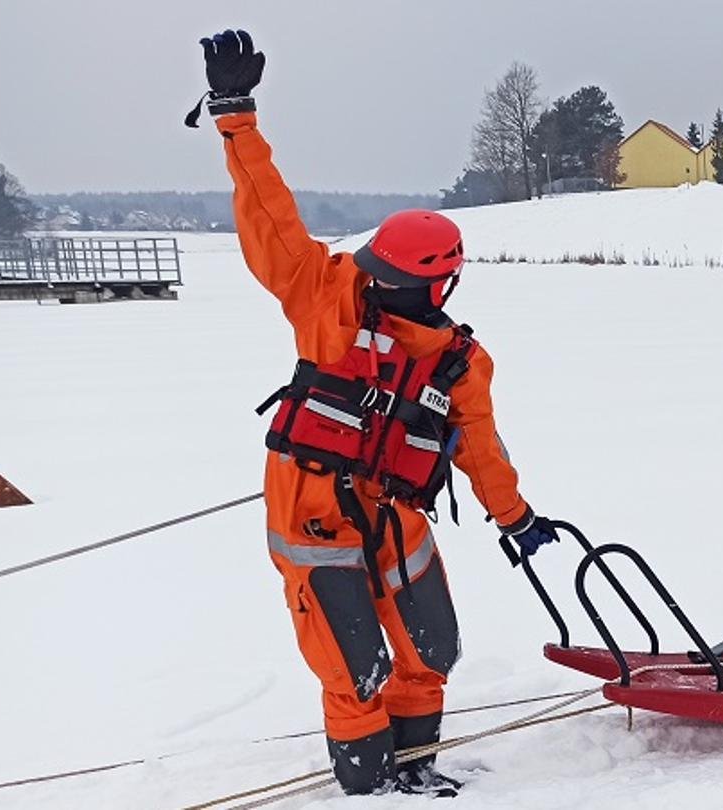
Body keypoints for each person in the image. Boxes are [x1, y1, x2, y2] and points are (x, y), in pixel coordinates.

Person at [197, 30, 564, 797]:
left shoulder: (458, 362)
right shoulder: (325, 297)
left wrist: (516, 517)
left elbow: (479, 448)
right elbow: (269, 218)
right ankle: (369, 788)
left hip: (394, 509)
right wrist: (235, 117)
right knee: (353, 666)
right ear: (443, 282)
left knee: (429, 650)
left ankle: (416, 768)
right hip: (311, 509)